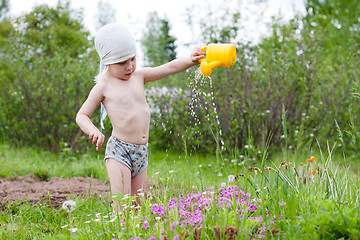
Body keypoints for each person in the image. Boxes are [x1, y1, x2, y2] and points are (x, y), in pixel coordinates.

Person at [75, 23, 204, 210]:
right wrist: (93, 130)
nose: (130, 67)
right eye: (122, 63)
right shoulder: (103, 87)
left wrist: (190, 60)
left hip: (141, 152)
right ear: (107, 62)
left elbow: (168, 68)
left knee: (138, 206)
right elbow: (82, 115)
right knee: (122, 205)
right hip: (119, 152)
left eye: (132, 59)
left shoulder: (139, 76)